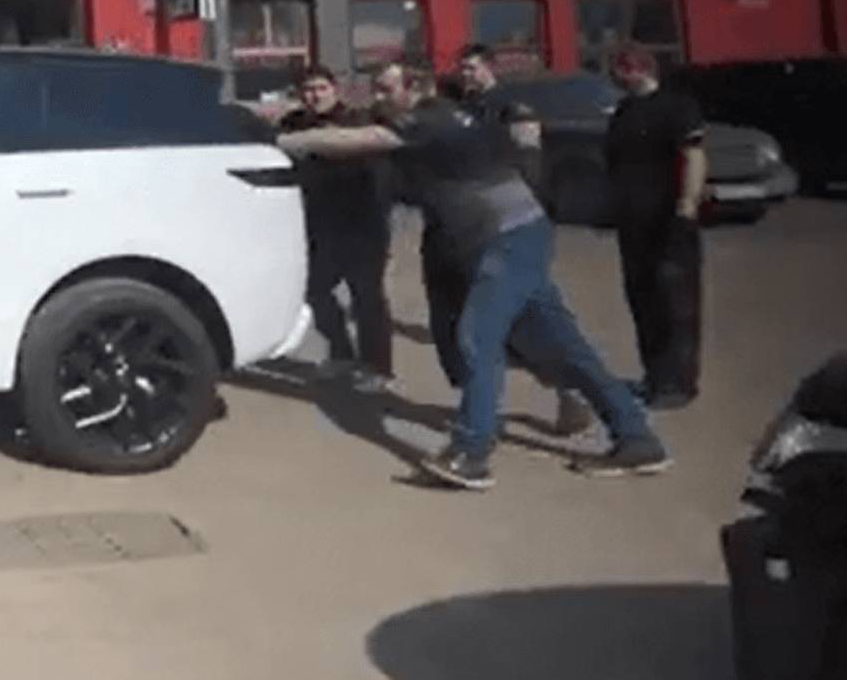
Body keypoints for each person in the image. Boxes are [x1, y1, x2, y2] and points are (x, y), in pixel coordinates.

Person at [277, 60, 670, 490]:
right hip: (511, 238)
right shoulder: (439, 119)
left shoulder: (431, 117)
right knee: (565, 347)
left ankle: (471, 453)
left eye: (387, 89)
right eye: (376, 88)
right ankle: (637, 439)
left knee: (478, 337)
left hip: (506, 240)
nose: (378, 97)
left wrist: (283, 140)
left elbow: (360, 140)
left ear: (416, 87)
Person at [422, 46, 595, 439]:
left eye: (472, 68)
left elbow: (529, 159)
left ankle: (569, 392)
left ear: (490, 68)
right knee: (474, 323)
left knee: (518, 323)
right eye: (462, 69)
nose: (466, 74)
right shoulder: (464, 109)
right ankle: (484, 408)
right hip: (471, 227)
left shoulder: (512, 107)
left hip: (508, 225)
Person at [276, 66, 395, 389]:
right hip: (317, 225)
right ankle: (341, 353)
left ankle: (378, 368)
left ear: (334, 89)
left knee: (366, 298)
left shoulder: (357, 122)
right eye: (308, 90)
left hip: (362, 224)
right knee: (314, 290)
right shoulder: (292, 124)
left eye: (321, 88)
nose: (315, 96)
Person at [605, 44, 709, 409]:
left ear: (637, 68)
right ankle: (655, 378)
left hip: (669, 222)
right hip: (632, 225)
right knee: (643, 300)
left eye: (618, 67)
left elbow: (694, 157)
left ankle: (679, 384)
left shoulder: (678, 107)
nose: (613, 75)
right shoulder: (624, 111)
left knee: (675, 304)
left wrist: (687, 206)